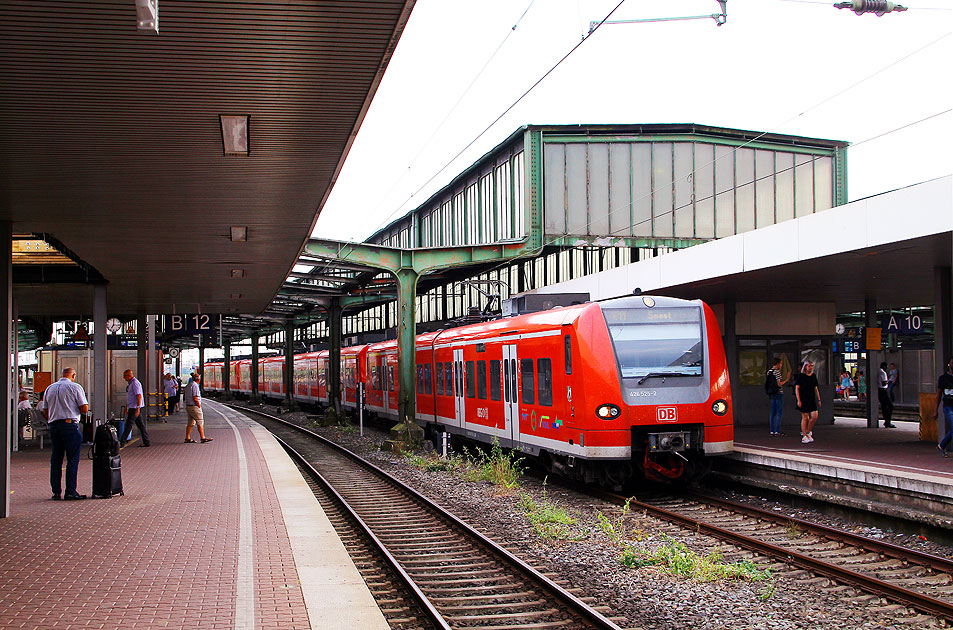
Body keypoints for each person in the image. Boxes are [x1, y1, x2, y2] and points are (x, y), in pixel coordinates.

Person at [40, 368, 89, 500]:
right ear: (73, 375)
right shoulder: (75, 387)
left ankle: (56, 492)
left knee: (56, 459)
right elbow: (84, 408)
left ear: (61, 375)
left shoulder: (49, 388)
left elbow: (45, 410)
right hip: (70, 426)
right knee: (72, 459)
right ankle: (70, 491)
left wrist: (53, 417)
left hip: (54, 426)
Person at [120, 369, 151, 447]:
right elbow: (131, 397)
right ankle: (146, 441)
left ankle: (122, 442)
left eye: (125, 376)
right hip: (132, 406)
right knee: (140, 425)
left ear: (129, 375)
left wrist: (137, 408)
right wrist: (127, 406)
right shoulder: (131, 383)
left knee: (128, 425)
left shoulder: (135, 383)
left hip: (134, 408)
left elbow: (139, 396)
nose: (124, 378)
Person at [795, 361, 821, 444]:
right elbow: (797, 388)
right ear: (805, 367)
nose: (811, 368)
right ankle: (804, 435)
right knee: (805, 417)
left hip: (811, 398)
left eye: (812, 366)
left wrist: (819, 399)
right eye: (809, 366)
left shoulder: (813, 376)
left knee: (814, 416)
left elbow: (816, 388)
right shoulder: (801, 376)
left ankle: (808, 431)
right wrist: (798, 400)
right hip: (803, 398)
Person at [184, 373, 212, 444]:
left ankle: (187, 438)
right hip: (194, 406)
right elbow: (195, 397)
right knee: (200, 421)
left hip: (189, 406)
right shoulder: (195, 386)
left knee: (190, 423)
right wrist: (199, 406)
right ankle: (202, 437)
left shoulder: (188, 385)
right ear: (199, 379)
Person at [766, 357, 788, 436]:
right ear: (778, 364)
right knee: (779, 412)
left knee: (773, 412)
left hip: (772, 393)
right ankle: (777, 430)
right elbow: (779, 384)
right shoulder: (777, 372)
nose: (781, 365)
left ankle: (772, 430)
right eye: (781, 364)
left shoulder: (769, 372)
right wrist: (786, 380)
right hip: (778, 393)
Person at [937, 357, 953, 458]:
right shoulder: (943, 378)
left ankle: (942, 445)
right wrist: (935, 410)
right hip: (948, 406)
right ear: (949, 364)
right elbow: (939, 394)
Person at [878, 361, 895, 428]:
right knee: (890, 406)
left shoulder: (878, 372)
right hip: (883, 390)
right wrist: (887, 382)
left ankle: (886, 421)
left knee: (884, 406)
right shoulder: (883, 373)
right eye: (886, 367)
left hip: (879, 390)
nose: (887, 368)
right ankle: (888, 421)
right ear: (884, 366)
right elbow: (884, 383)